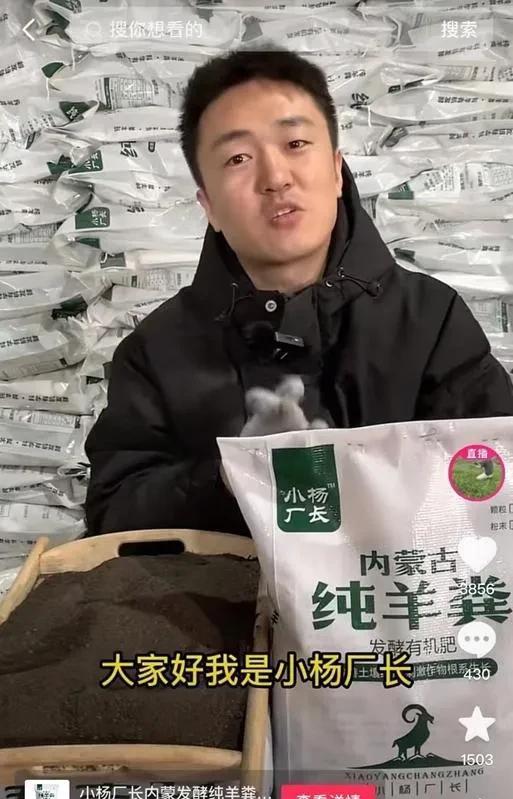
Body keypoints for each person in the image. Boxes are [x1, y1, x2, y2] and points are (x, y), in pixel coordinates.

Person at [84, 45, 513, 537]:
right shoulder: (156, 351)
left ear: (336, 170)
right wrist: (234, 476)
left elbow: (495, 475)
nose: (275, 178)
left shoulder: (430, 318)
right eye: (238, 158)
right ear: (209, 206)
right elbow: (113, 512)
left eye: (295, 143)